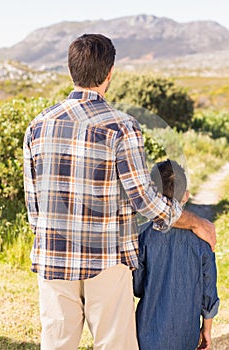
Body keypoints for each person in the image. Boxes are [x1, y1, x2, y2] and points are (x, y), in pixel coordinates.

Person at [23, 34, 216, 350]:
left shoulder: (38, 126)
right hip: (107, 260)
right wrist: (196, 222)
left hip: (53, 258)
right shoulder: (122, 126)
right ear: (109, 73)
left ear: (71, 70)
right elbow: (145, 201)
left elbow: (35, 210)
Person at [133, 159, 219, 350]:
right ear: (186, 196)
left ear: (153, 198)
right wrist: (206, 330)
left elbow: (138, 287)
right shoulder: (202, 238)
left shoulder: (144, 236)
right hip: (185, 335)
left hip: (147, 334)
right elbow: (209, 292)